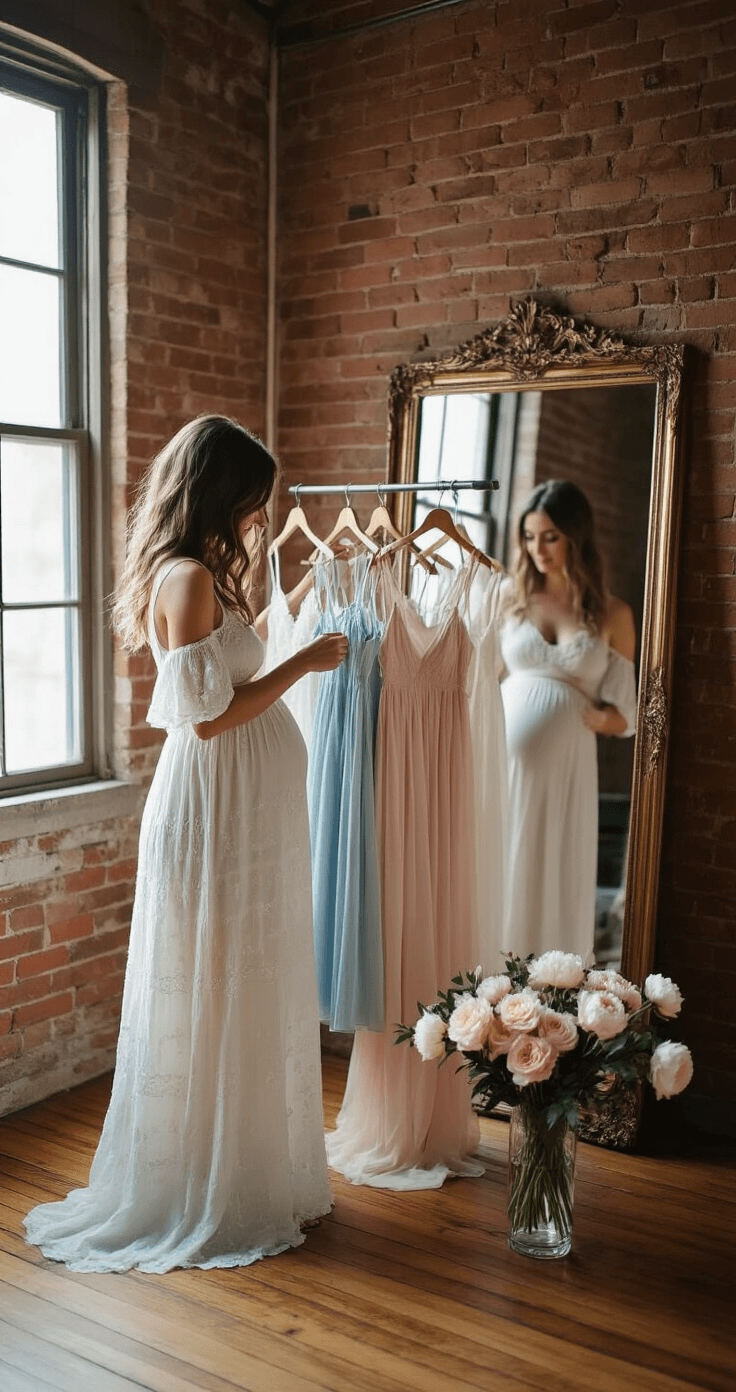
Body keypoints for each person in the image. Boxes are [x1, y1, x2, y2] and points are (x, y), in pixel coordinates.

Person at [24, 414, 348, 1273]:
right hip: (215, 805)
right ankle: (207, 1182)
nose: (257, 517)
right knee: (215, 984)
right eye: (252, 500)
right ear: (220, 490)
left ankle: (247, 1166)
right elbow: (207, 722)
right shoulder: (190, 577)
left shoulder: (201, 573)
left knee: (239, 982)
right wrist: (302, 663)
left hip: (242, 807)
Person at [498, 479, 637, 964]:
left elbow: (629, 713)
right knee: (502, 867)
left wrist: (598, 719)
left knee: (551, 870)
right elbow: (478, 684)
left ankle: (548, 991)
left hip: (567, 768)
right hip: (503, 762)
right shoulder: (507, 599)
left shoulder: (612, 613)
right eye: (530, 537)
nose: (538, 549)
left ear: (577, 537)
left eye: (550, 537)